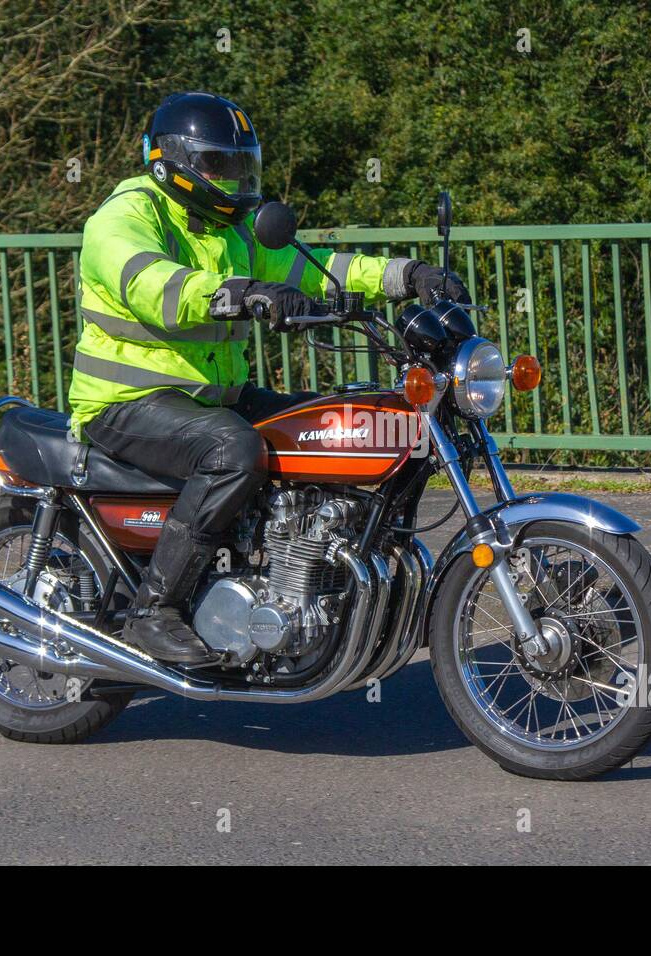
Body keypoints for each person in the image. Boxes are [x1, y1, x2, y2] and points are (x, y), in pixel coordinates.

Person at [67, 91, 467, 663]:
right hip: (127, 401)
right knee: (235, 451)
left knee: (325, 422)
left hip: (211, 395)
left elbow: (315, 269)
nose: (232, 180)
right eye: (217, 166)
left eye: (239, 166)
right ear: (170, 164)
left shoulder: (230, 228)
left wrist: (408, 275)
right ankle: (153, 611)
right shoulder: (124, 217)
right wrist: (240, 293)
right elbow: (154, 286)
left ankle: (302, 581)